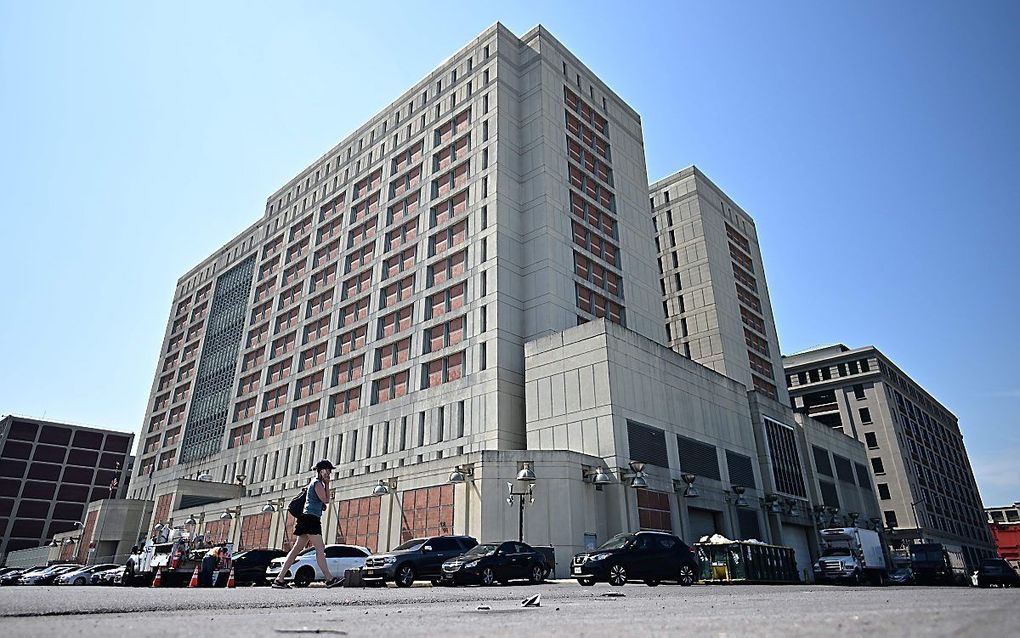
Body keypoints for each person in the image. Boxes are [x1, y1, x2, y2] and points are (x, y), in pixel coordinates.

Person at [272, 459, 341, 589]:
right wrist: (327, 484)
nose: (329, 473)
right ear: (321, 471)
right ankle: (329, 579)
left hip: (307, 518)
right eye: (328, 470)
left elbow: (322, 502)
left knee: (296, 550)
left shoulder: (316, 483)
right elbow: (326, 500)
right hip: (310, 519)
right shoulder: (317, 483)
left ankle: (279, 579)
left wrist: (325, 484)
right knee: (320, 548)